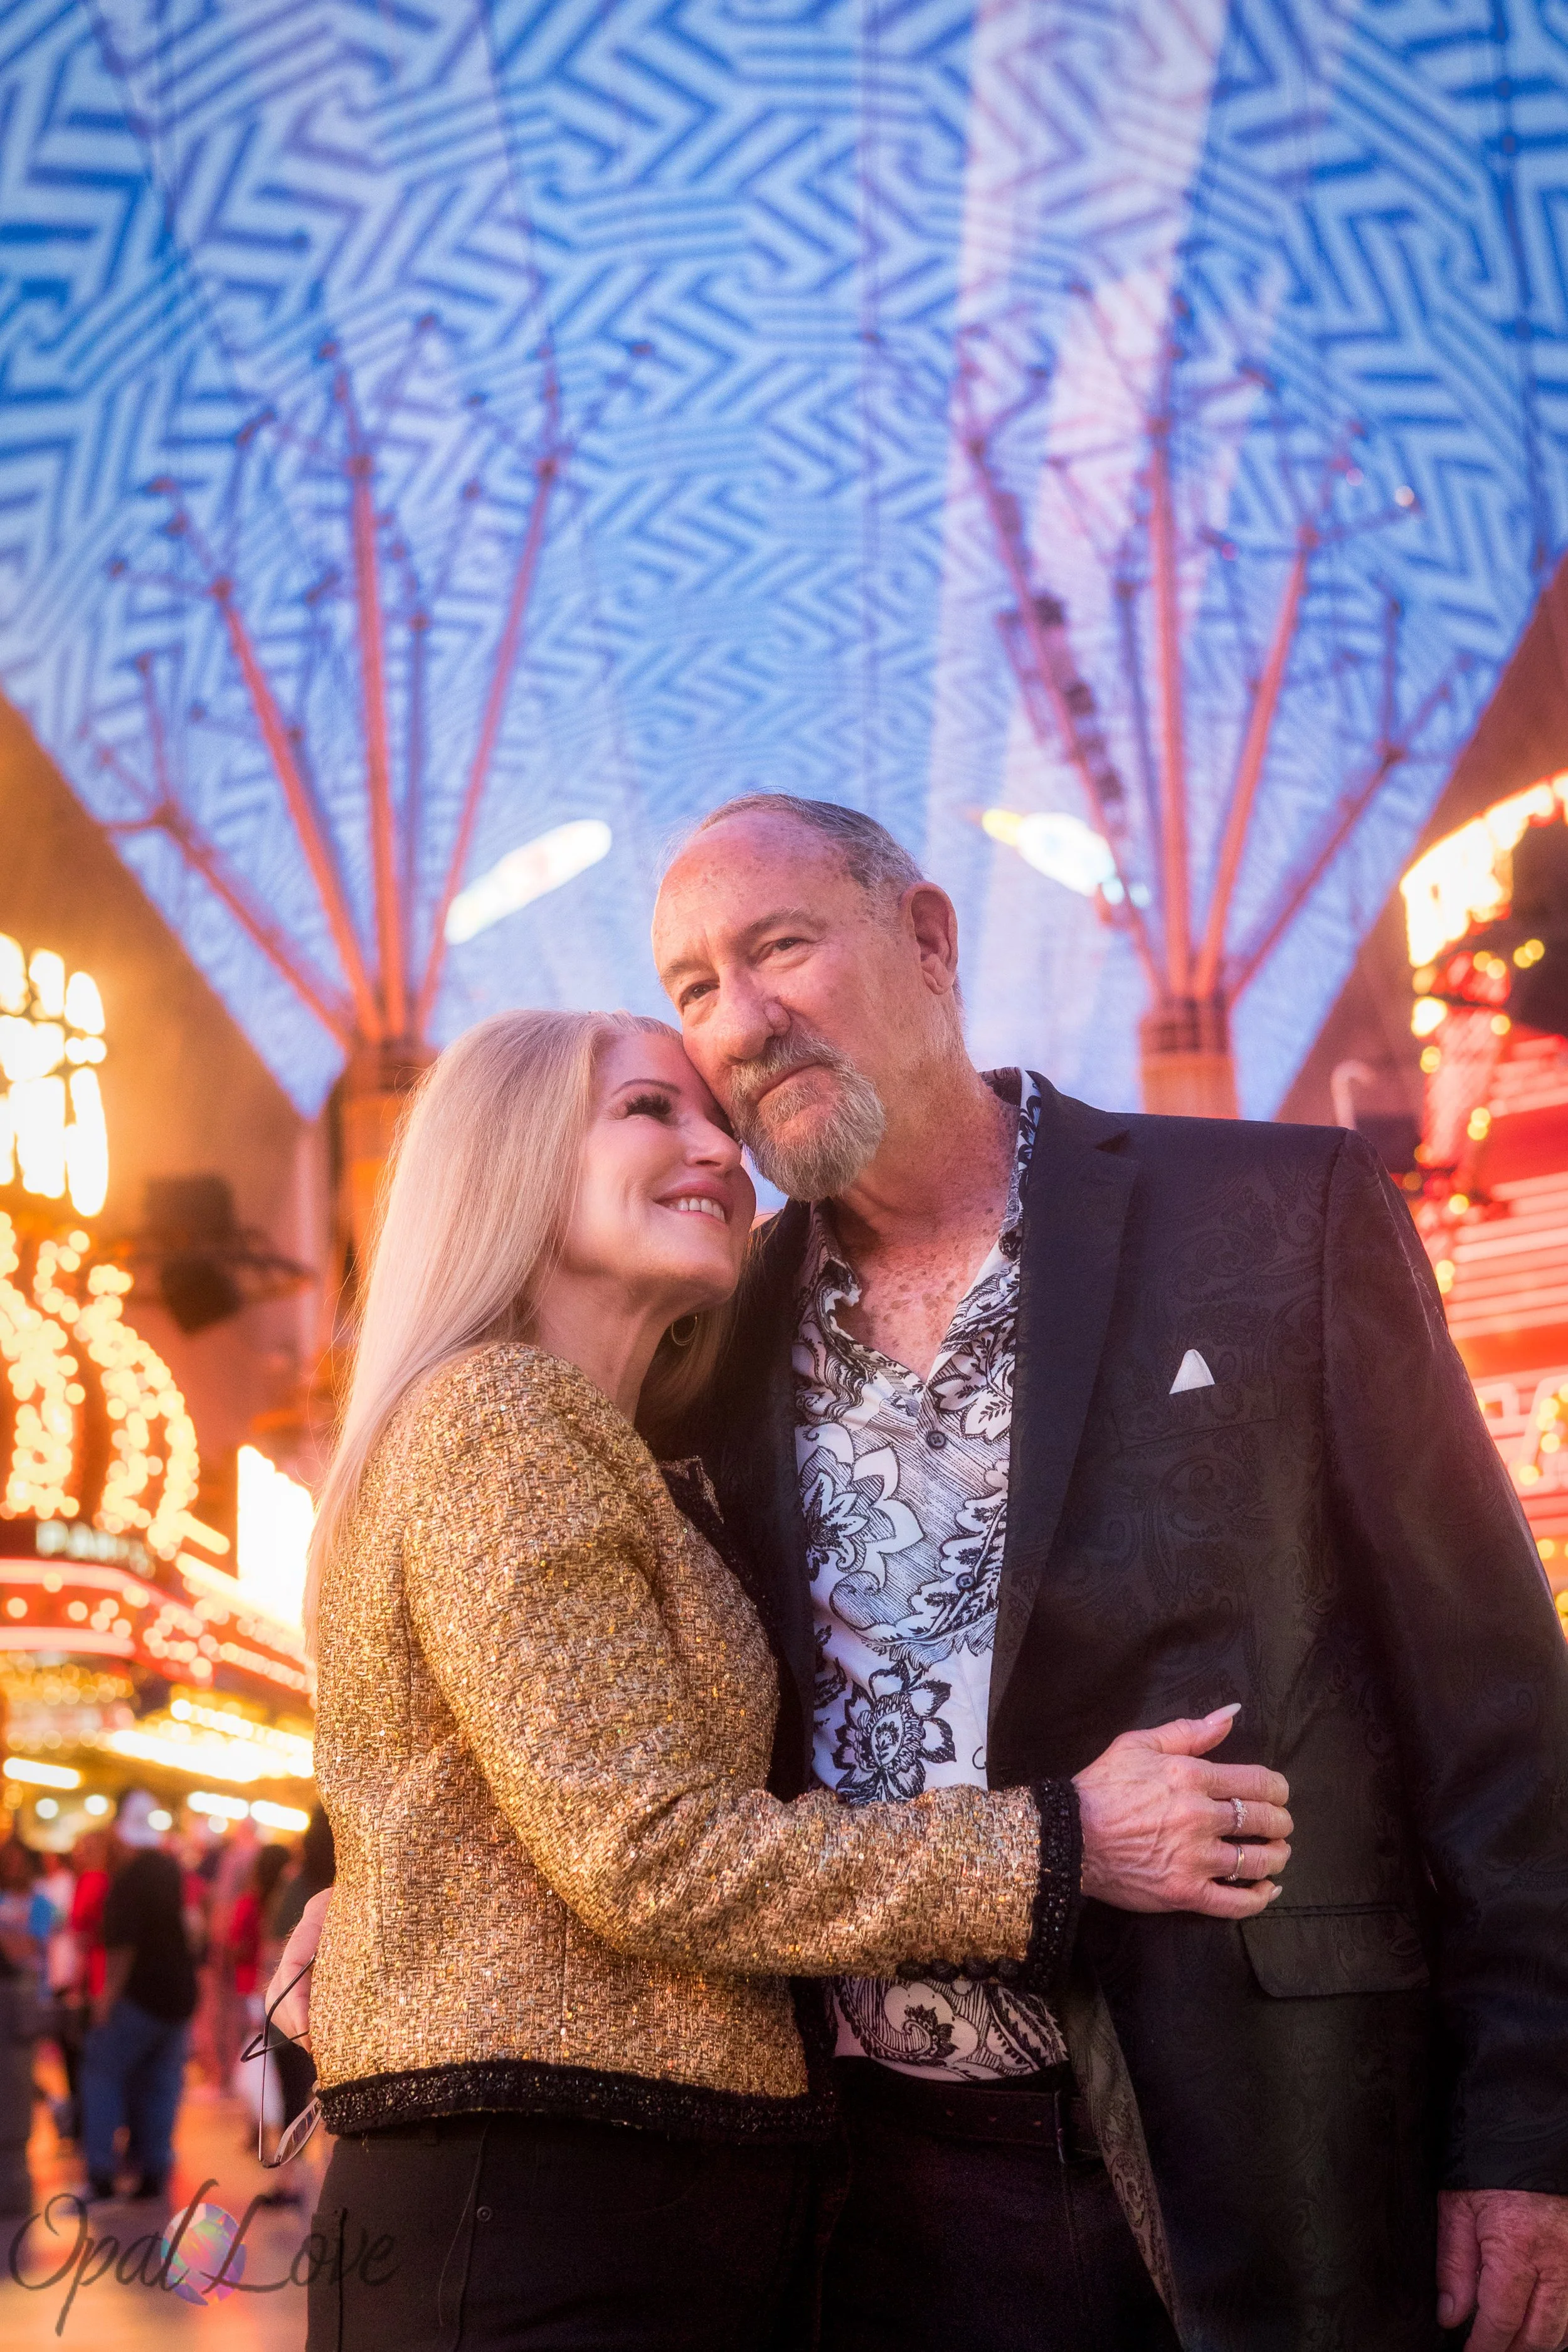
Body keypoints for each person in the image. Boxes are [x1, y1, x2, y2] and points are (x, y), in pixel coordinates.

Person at [645, 792, 1568, 2352]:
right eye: (691, 987)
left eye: (780, 944)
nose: (741, 1018)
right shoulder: (704, 1339)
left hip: (1269, 2143)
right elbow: (550, 1614)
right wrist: (354, 1868)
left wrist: (1528, 2130)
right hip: (869, 2190)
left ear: (928, 937)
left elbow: (1497, 1708)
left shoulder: (1281, 1209)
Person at [279, 1007, 1286, 2352]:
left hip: (621, 2204)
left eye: (717, 1118)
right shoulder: (501, 1416)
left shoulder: (619, 1444)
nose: (715, 1144)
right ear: (506, 1157)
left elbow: (516, 1776)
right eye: (648, 1109)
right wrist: (1064, 1841)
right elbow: (646, 1851)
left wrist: (387, 1883)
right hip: (542, 2212)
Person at [79, 1789, 198, 2202]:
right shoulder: (170, 1868)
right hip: (179, 1996)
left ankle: (101, 2174)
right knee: (161, 2085)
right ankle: (153, 2173)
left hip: (139, 1999)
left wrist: (105, 2002)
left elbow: (121, 1947)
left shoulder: (128, 1878)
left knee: (102, 2075)